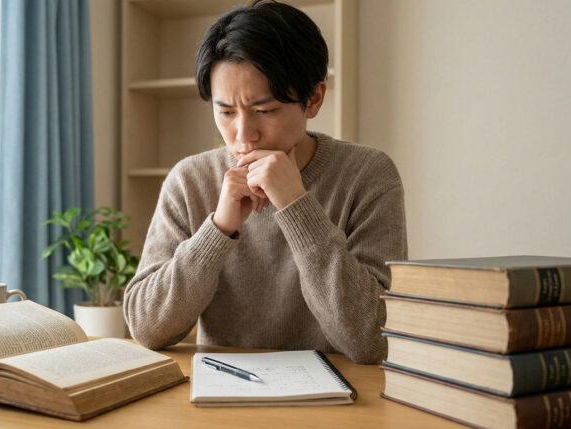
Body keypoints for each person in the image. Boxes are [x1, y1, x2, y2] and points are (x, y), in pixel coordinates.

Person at [123, 0, 407, 364]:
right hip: (219, 396)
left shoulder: (368, 174)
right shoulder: (190, 180)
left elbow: (373, 341)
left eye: (265, 110)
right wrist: (219, 229)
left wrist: (297, 208)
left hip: (343, 399)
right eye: (225, 112)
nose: (244, 135)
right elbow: (146, 328)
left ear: (314, 98)